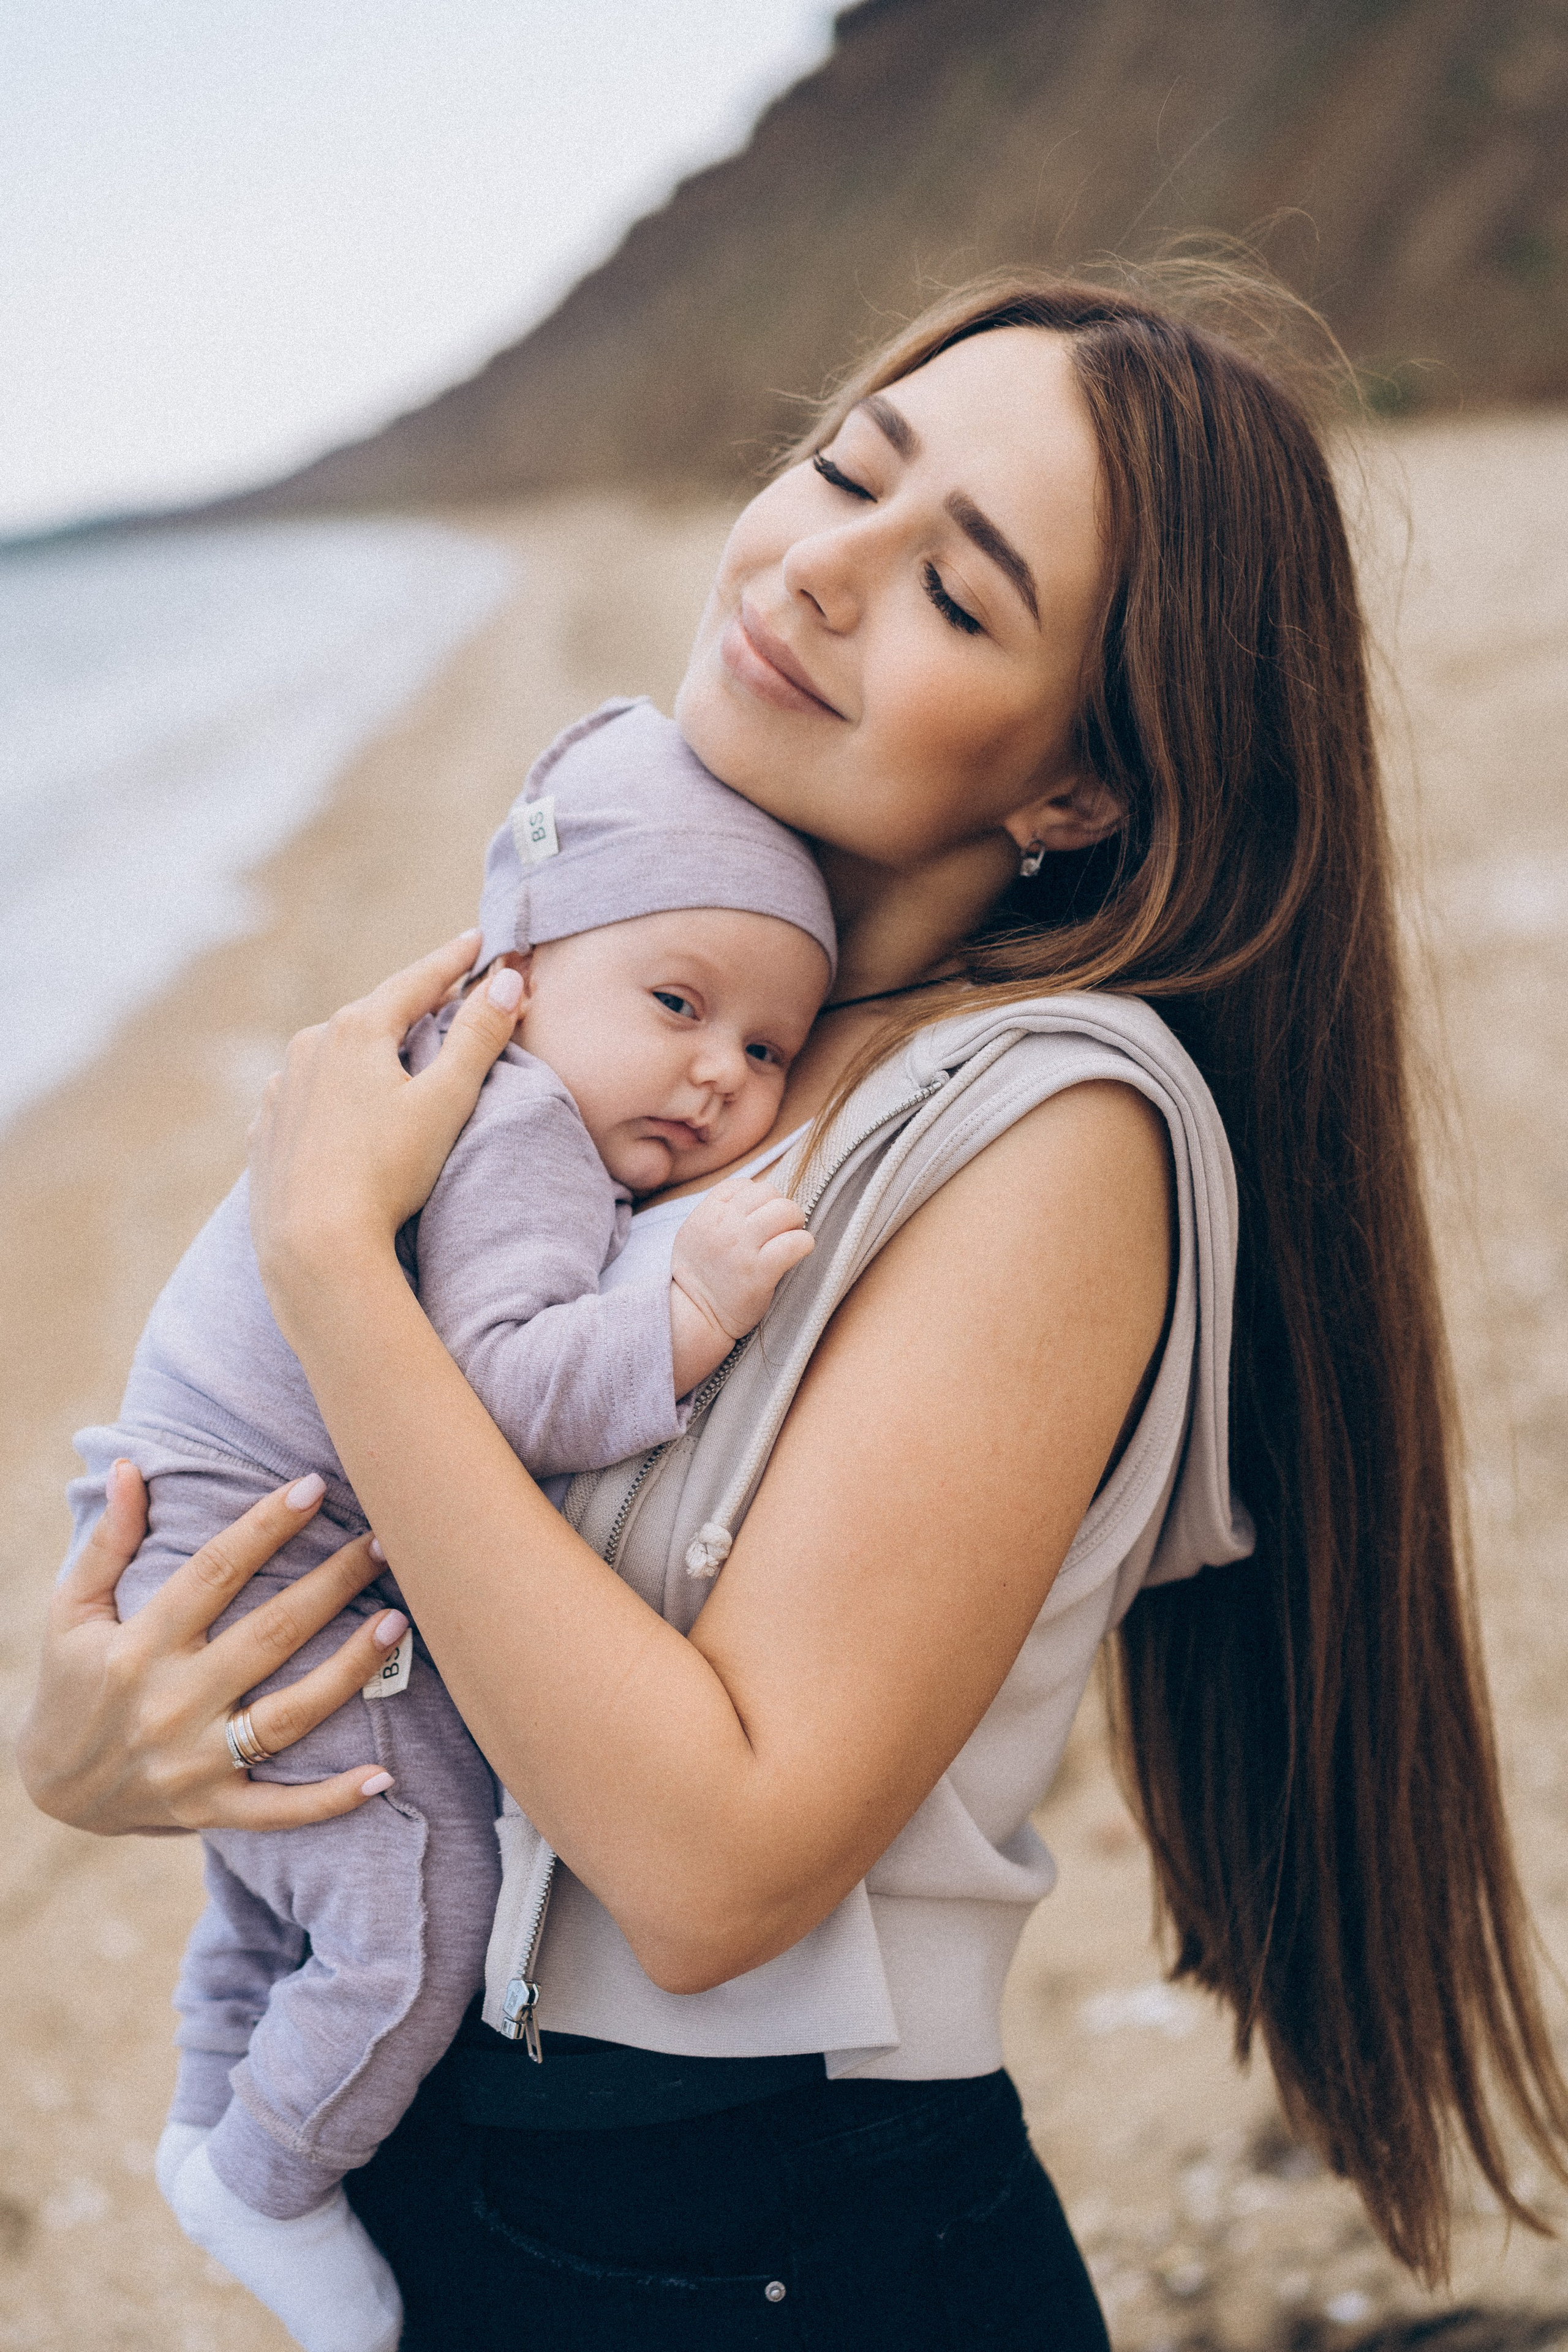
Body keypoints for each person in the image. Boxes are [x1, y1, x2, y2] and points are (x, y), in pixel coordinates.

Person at [23, 271, 1568, 2352]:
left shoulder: (1053, 1130)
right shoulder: (659, 1051)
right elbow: (373, 1590)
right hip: (473, 2200)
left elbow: (716, 1871)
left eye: (959, 592)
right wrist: (105, 1744)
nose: (822, 568)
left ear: (1079, 793)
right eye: (847, 471)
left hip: (778, 2245)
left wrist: (331, 1267)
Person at [62, 697, 837, 2352]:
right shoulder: (523, 1121)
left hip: (192, 1509)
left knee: (270, 1885)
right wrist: (686, 1317)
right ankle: (268, 2181)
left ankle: (202, 2119)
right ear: (518, 976)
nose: (722, 1070)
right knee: (417, 1908)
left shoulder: (454, 1092)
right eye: (680, 1004)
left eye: (772, 1049)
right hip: (275, 1537)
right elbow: (491, 1385)